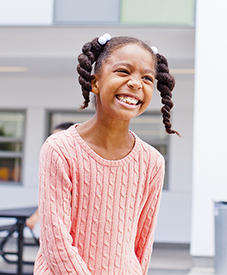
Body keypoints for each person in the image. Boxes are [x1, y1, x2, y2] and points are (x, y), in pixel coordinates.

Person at [34, 34, 178, 275]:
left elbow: (142, 244)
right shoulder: (59, 149)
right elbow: (56, 243)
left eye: (147, 77)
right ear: (95, 82)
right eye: (123, 71)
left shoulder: (152, 162)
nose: (136, 83)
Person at [26, 122, 75, 230]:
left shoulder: (78, 161)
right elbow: (51, 193)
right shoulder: (54, 158)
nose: (55, 141)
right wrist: (36, 216)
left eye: (58, 137)